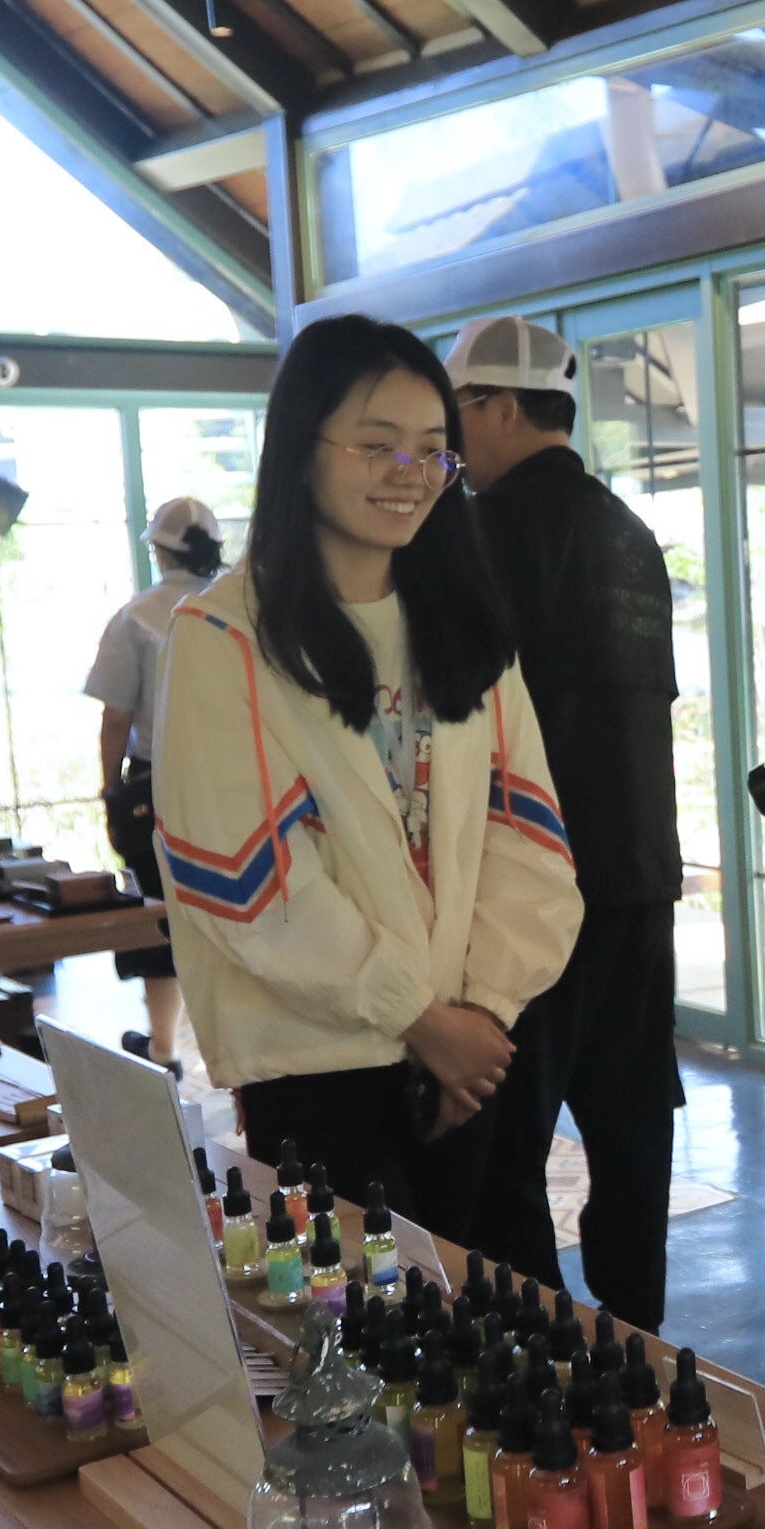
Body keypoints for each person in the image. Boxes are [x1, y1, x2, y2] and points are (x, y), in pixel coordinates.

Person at [153, 318, 581, 1239]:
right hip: (317, 1065)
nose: (409, 473)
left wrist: (479, 1015)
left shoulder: (462, 623)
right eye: (377, 445)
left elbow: (530, 838)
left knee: (490, 1311)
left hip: (471, 1052)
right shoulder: (224, 637)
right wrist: (421, 1018)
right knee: (366, 1325)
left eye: (433, 449)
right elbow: (249, 883)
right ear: (300, 450)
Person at [447, 313, 682, 1333]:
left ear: (501, 405)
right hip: (641, 873)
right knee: (632, 1130)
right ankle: (638, 1344)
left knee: (504, 1143)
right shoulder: (630, 534)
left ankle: (540, 1351)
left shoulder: (477, 534)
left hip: (530, 885)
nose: (450, 440)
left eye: (457, 411)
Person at [82, 493, 221, 1071]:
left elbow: (116, 718)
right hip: (235, 783)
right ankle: (231, 1044)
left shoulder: (136, 617)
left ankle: (164, 1046)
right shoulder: (240, 608)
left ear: (160, 552)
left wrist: (110, 789)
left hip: (156, 786)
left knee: (158, 912)